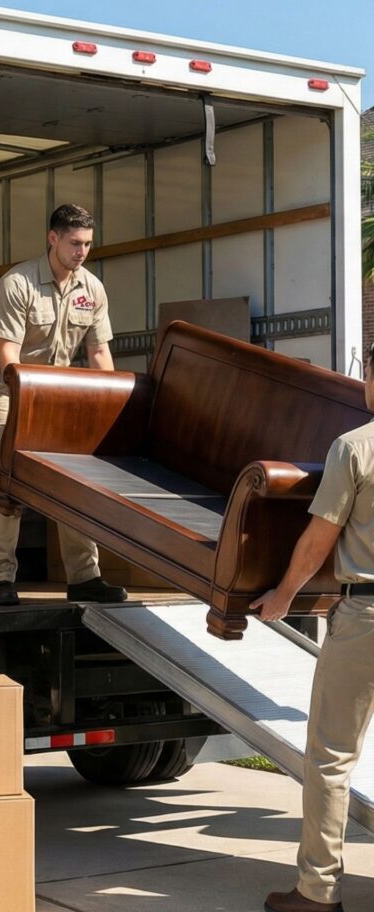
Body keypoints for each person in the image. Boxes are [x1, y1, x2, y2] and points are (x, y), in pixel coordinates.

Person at [252, 342, 374, 912]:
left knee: (330, 756)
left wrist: (285, 594)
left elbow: (320, 536)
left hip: (367, 618)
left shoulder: (355, 447)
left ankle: (318, 893)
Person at [0, 203, 127, 607]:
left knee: (75, 481)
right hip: (8, 387)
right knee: (4, 479)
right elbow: (9, 352)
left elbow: (99, 353)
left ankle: (84, 578)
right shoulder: (18, 283)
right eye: (75, 243)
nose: (82, 252)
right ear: (53, 239)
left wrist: (110, 408)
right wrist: (28, 398)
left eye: (88, 244)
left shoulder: (92, 289)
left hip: (60, 393)